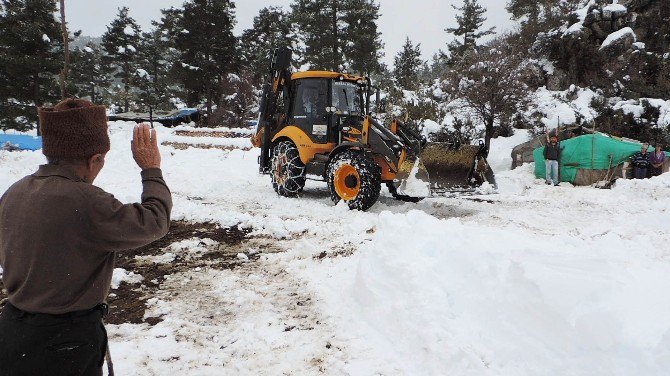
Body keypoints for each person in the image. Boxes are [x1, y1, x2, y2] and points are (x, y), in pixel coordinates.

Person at [0, 98, 172, 375]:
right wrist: (151, 170)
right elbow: (154, 221)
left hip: (12, 333)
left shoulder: (14, 192)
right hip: (64, 343)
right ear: (95, 158)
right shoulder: (86, 200)